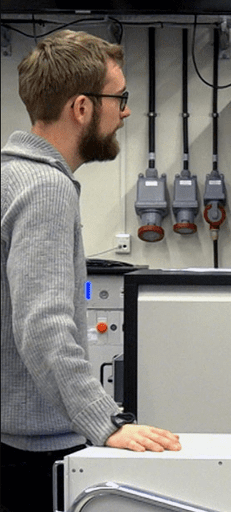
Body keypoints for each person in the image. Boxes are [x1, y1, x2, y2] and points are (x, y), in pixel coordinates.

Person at [1, 30, 181, 512]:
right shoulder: (44, 189)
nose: (124, 111)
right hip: (29, 455)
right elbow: (43, 327)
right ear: (81, 107)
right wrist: (107, 422)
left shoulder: (10, 178)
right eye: (119, 98)